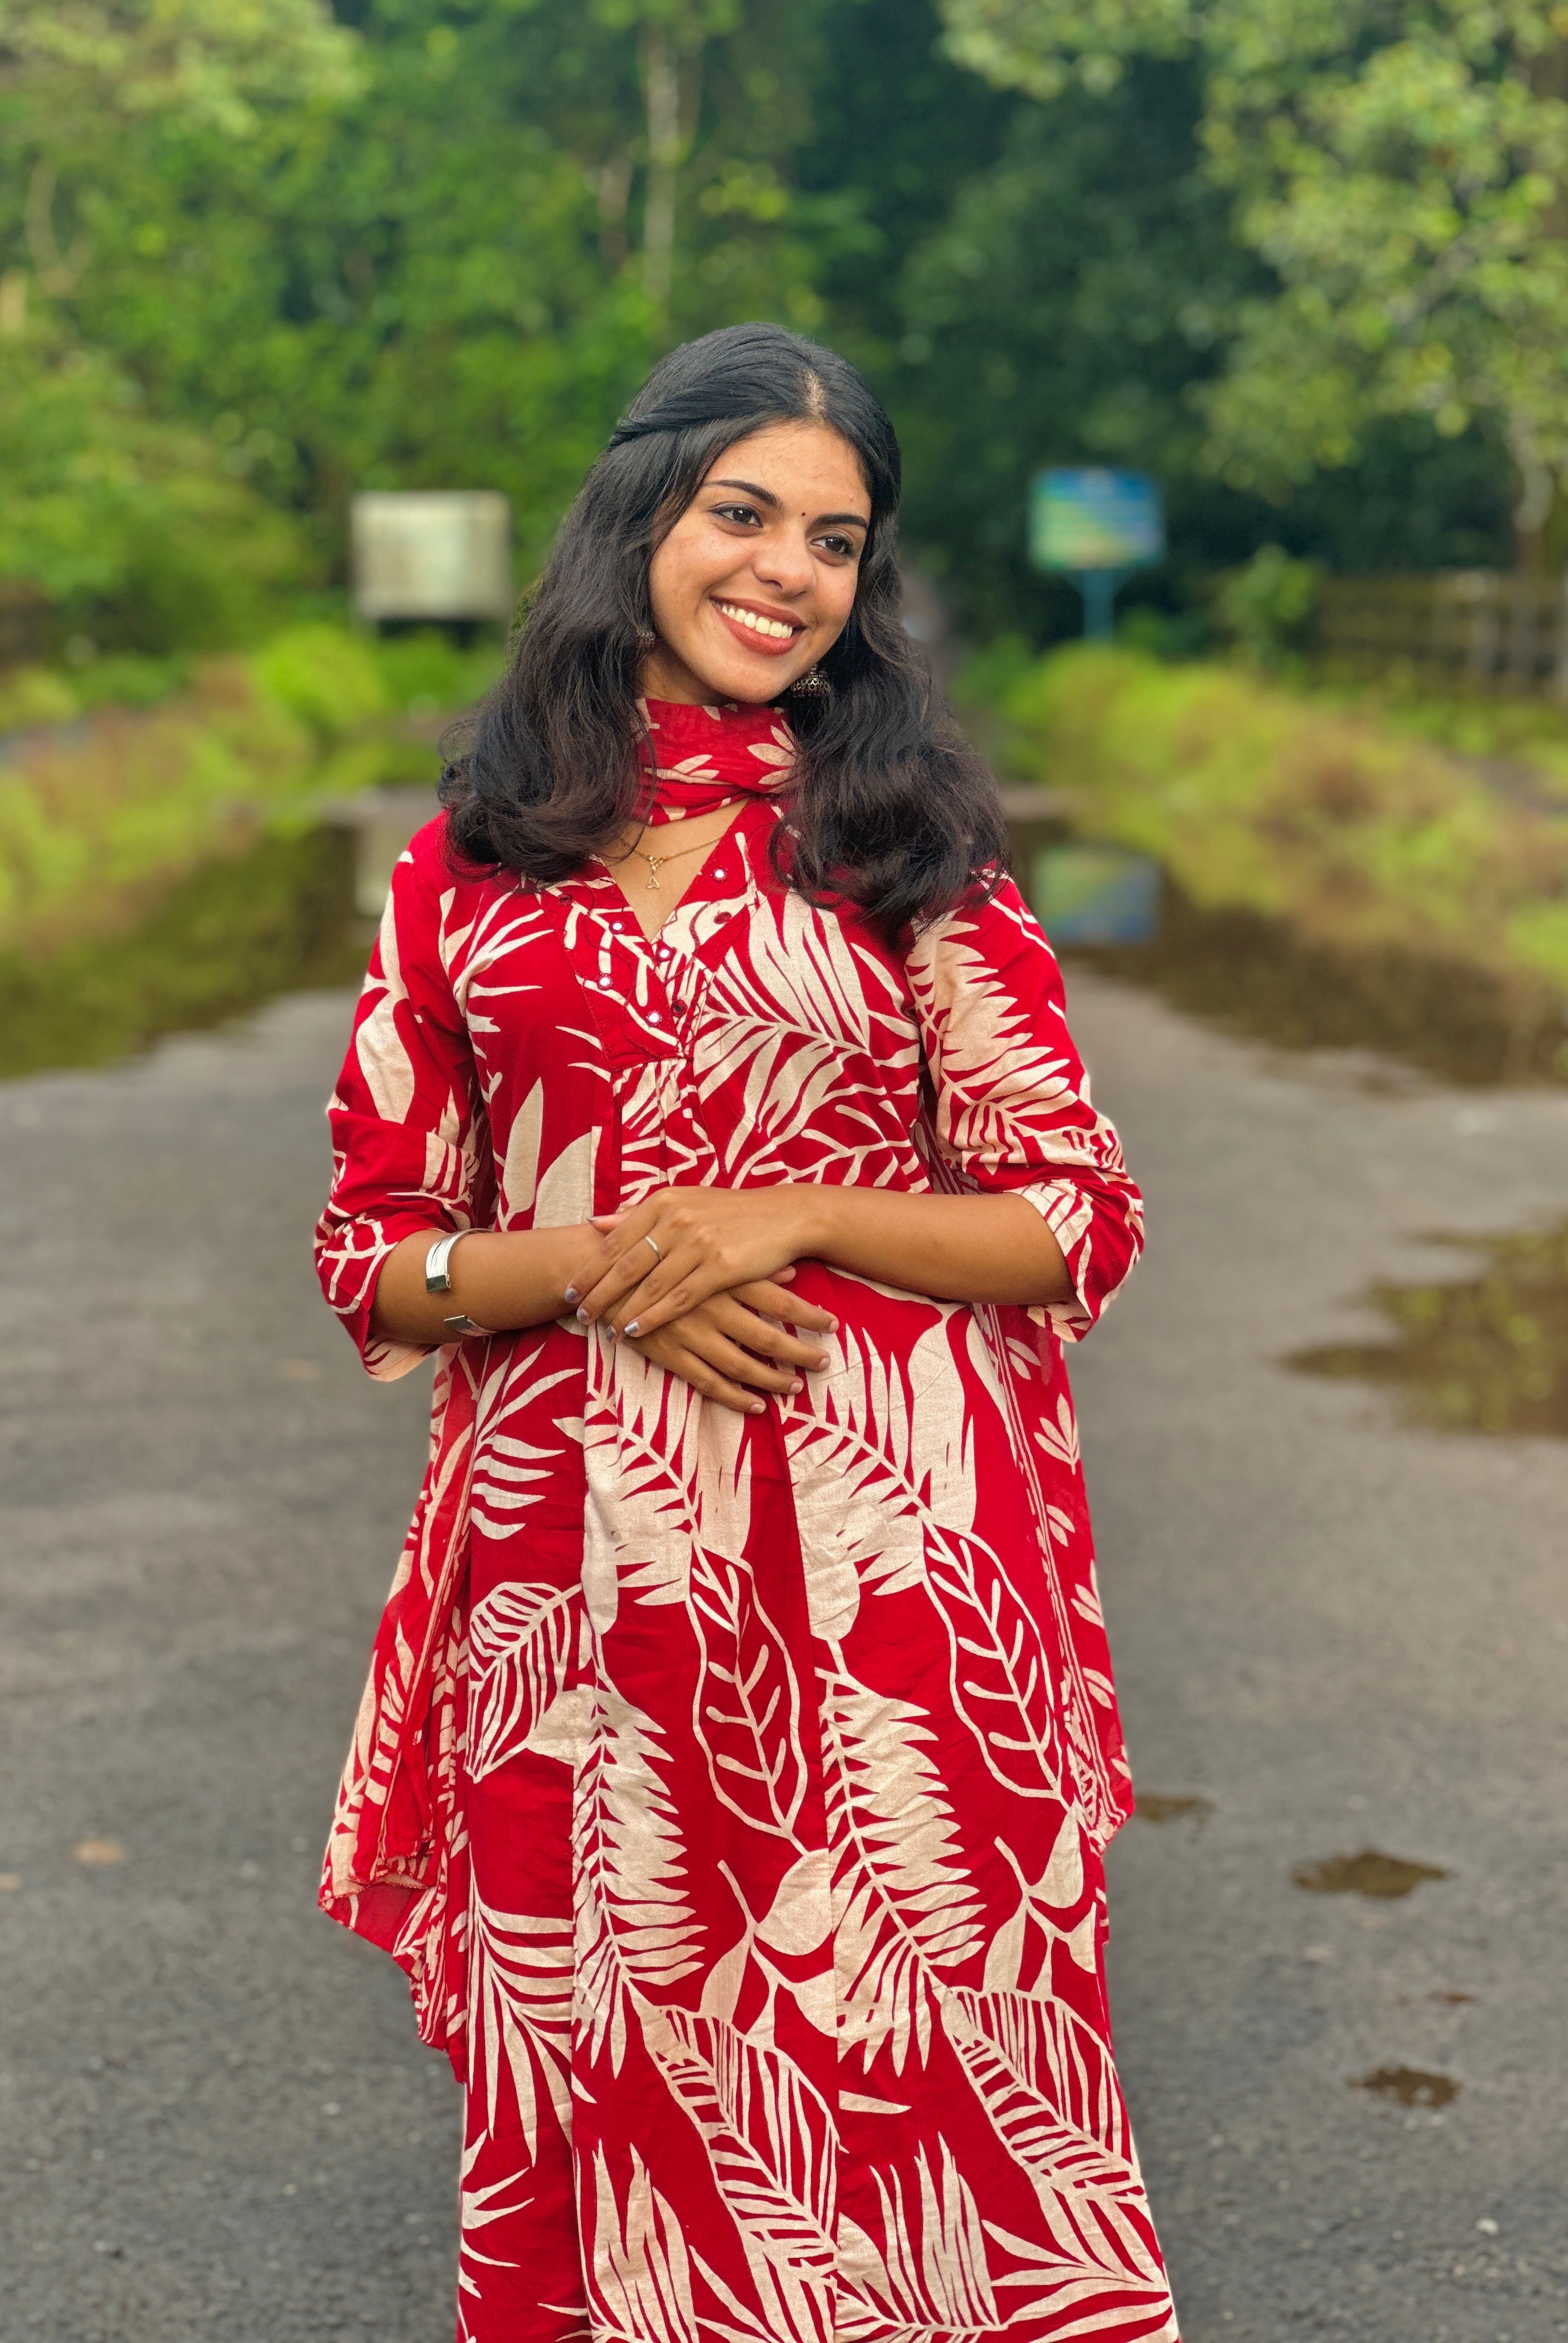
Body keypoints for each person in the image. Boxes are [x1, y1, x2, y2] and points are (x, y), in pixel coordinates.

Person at [315, 321, 1178, 2343]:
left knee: (911, 2100)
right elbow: (378, 1255)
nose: (788, 572)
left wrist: (790, 1214)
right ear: (640, 518)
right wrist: (609, 1260)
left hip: (885, 1600)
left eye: (837, 542)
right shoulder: (468, 869)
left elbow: (1075, 1215)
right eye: (745, 514)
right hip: (568, 1597)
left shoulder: (901, 848)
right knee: (600, 2083)